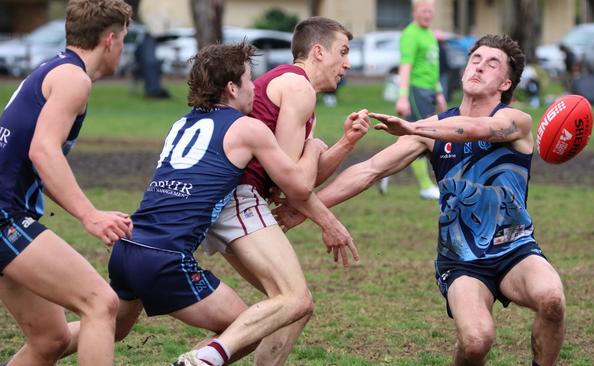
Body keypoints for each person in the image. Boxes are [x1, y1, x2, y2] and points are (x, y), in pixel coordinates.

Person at [276, 34, 566, 366]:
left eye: (492, 63)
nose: (479, 66)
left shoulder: (515, 122)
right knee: (475, 342)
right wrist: (304, 208)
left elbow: (477, 129)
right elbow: (369, 171)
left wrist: (414, 127)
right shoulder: (430, 130)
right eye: (475, 59)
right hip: (462, 261)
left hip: (515, 250)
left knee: (552, 299)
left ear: (505, 83)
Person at [60, 41, 349, 366]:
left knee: (108, 328)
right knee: (243, 327)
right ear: (231, 87)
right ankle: (200, 361)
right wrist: (313, 149)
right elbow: (296, 186)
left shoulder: (181, 124)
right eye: (249, 80)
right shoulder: (248, 128)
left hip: (128, 246)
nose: (255, 88)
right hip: (166, 258)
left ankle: (41, 347)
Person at [189, 16, 369, 366]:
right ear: (318, 51)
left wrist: (346, 142)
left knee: (287, 306)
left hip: (224, 199)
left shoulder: (292, 87)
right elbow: (294, 183)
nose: (347, 63)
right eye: (342, 52)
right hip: (236, 198)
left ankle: (200, 358)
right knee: (294, 301)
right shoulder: (297, 87)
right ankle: (204, 359)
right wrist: (328, 220)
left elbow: (296, 180)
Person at [0, 1, 133, 365]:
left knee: (50, 340)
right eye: (124, 39)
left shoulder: (56, 69)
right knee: (100, 303)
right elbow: (43, 152)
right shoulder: (74, 79)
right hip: (4, 216)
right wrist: (89, 215)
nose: (123, 47)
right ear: (109, 40)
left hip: (9, 213)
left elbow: (38, 158)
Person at [379, 0, 447, 200]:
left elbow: (432, 69)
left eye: (430, 11)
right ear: (414, 12)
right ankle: (425, 186)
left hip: (428, 92)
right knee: (421, 135)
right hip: (415, 92)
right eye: (424, 10)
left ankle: (383, 168)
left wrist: (439, 92)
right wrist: (402, 97)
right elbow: (405, 67)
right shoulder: (410, 34)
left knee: (412, 137)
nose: (428, 14)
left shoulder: (429, 35)